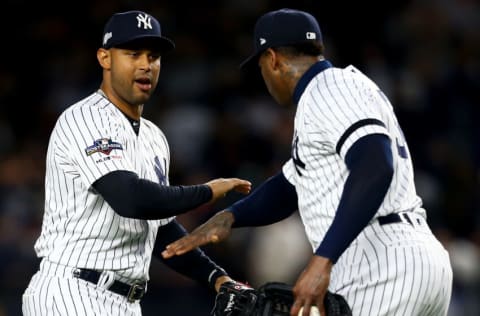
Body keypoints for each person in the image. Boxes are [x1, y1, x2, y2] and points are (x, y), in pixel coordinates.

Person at [162, 8, 453, 316]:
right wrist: (231, 216)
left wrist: (322, 259)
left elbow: (375, 164)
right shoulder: (333, 93)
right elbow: (289, 185)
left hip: (378, 263)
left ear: (272, 59)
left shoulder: (328, 90)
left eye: (260, 65)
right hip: (410, 258)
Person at [22, 10, 252, 316]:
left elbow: (159, 230)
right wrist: (209, 191)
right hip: (72, 290)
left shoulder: (155, 137)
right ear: (105, 58)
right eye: (133, 54)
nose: (146, 64)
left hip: (126, 301)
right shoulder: (84, 118)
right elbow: (131, 199)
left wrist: (218, 278)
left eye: (153, 56)